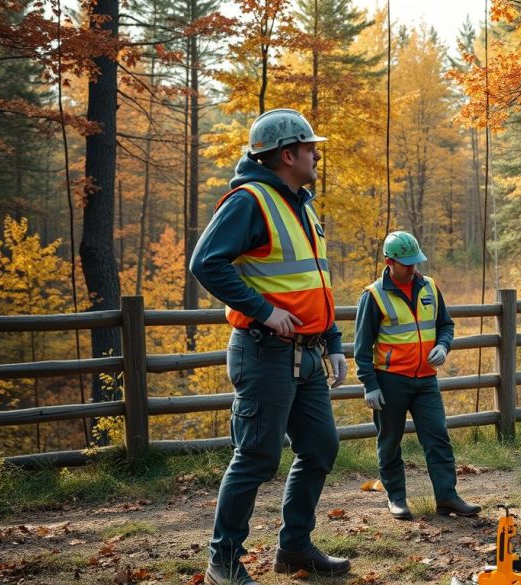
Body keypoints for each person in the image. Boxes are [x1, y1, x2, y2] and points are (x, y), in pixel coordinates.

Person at [190, 109, 351, 584]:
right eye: (309, 147)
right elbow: (206, 263)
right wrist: (263, 310)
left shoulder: (301, 203)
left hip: (308, 353)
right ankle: (223, 560)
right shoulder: (250, 201)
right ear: (287, 155)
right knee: (258, 457)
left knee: (320, 447)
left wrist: (335, 341)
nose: (316, 154)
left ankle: (294, 548)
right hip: (263, 351)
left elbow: (315, 282)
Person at [353, 231, 482, 520]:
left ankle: (447, 497)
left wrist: (443, 345)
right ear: (389, 261)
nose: (412, 268)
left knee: (438, 437)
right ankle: (396, 497)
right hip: (390, 381)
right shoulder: (373, 295)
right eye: (406, 264)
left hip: (425, 380)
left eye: (415, 262)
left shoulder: (430, 287)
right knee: (390, 442)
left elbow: (446, 325)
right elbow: (361, 347)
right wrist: (369, 385)